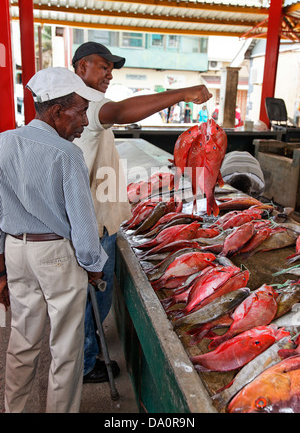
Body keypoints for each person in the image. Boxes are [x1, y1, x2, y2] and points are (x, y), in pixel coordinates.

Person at [72, 41, 212, 383]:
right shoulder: (84, 104)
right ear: (80, 67)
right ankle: (87, 362)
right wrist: (181, 93)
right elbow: (120, 112)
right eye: (102, 66)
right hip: (94, 222)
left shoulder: (77, 104)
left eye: (111, 69)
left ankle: (84, 354)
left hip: (95, 214)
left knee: (92, 296)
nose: (108, 74)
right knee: (95, 297)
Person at [0, 67, 108, 413]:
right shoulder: (67, 154)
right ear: (57, 111)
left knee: (23, 338)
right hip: (56, 256)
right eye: (80, 112)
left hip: (17, 248)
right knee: (65, 348)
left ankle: (13, 409)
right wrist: (94, 266)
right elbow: (82, 222)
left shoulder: (3, 142)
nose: (85, 121)